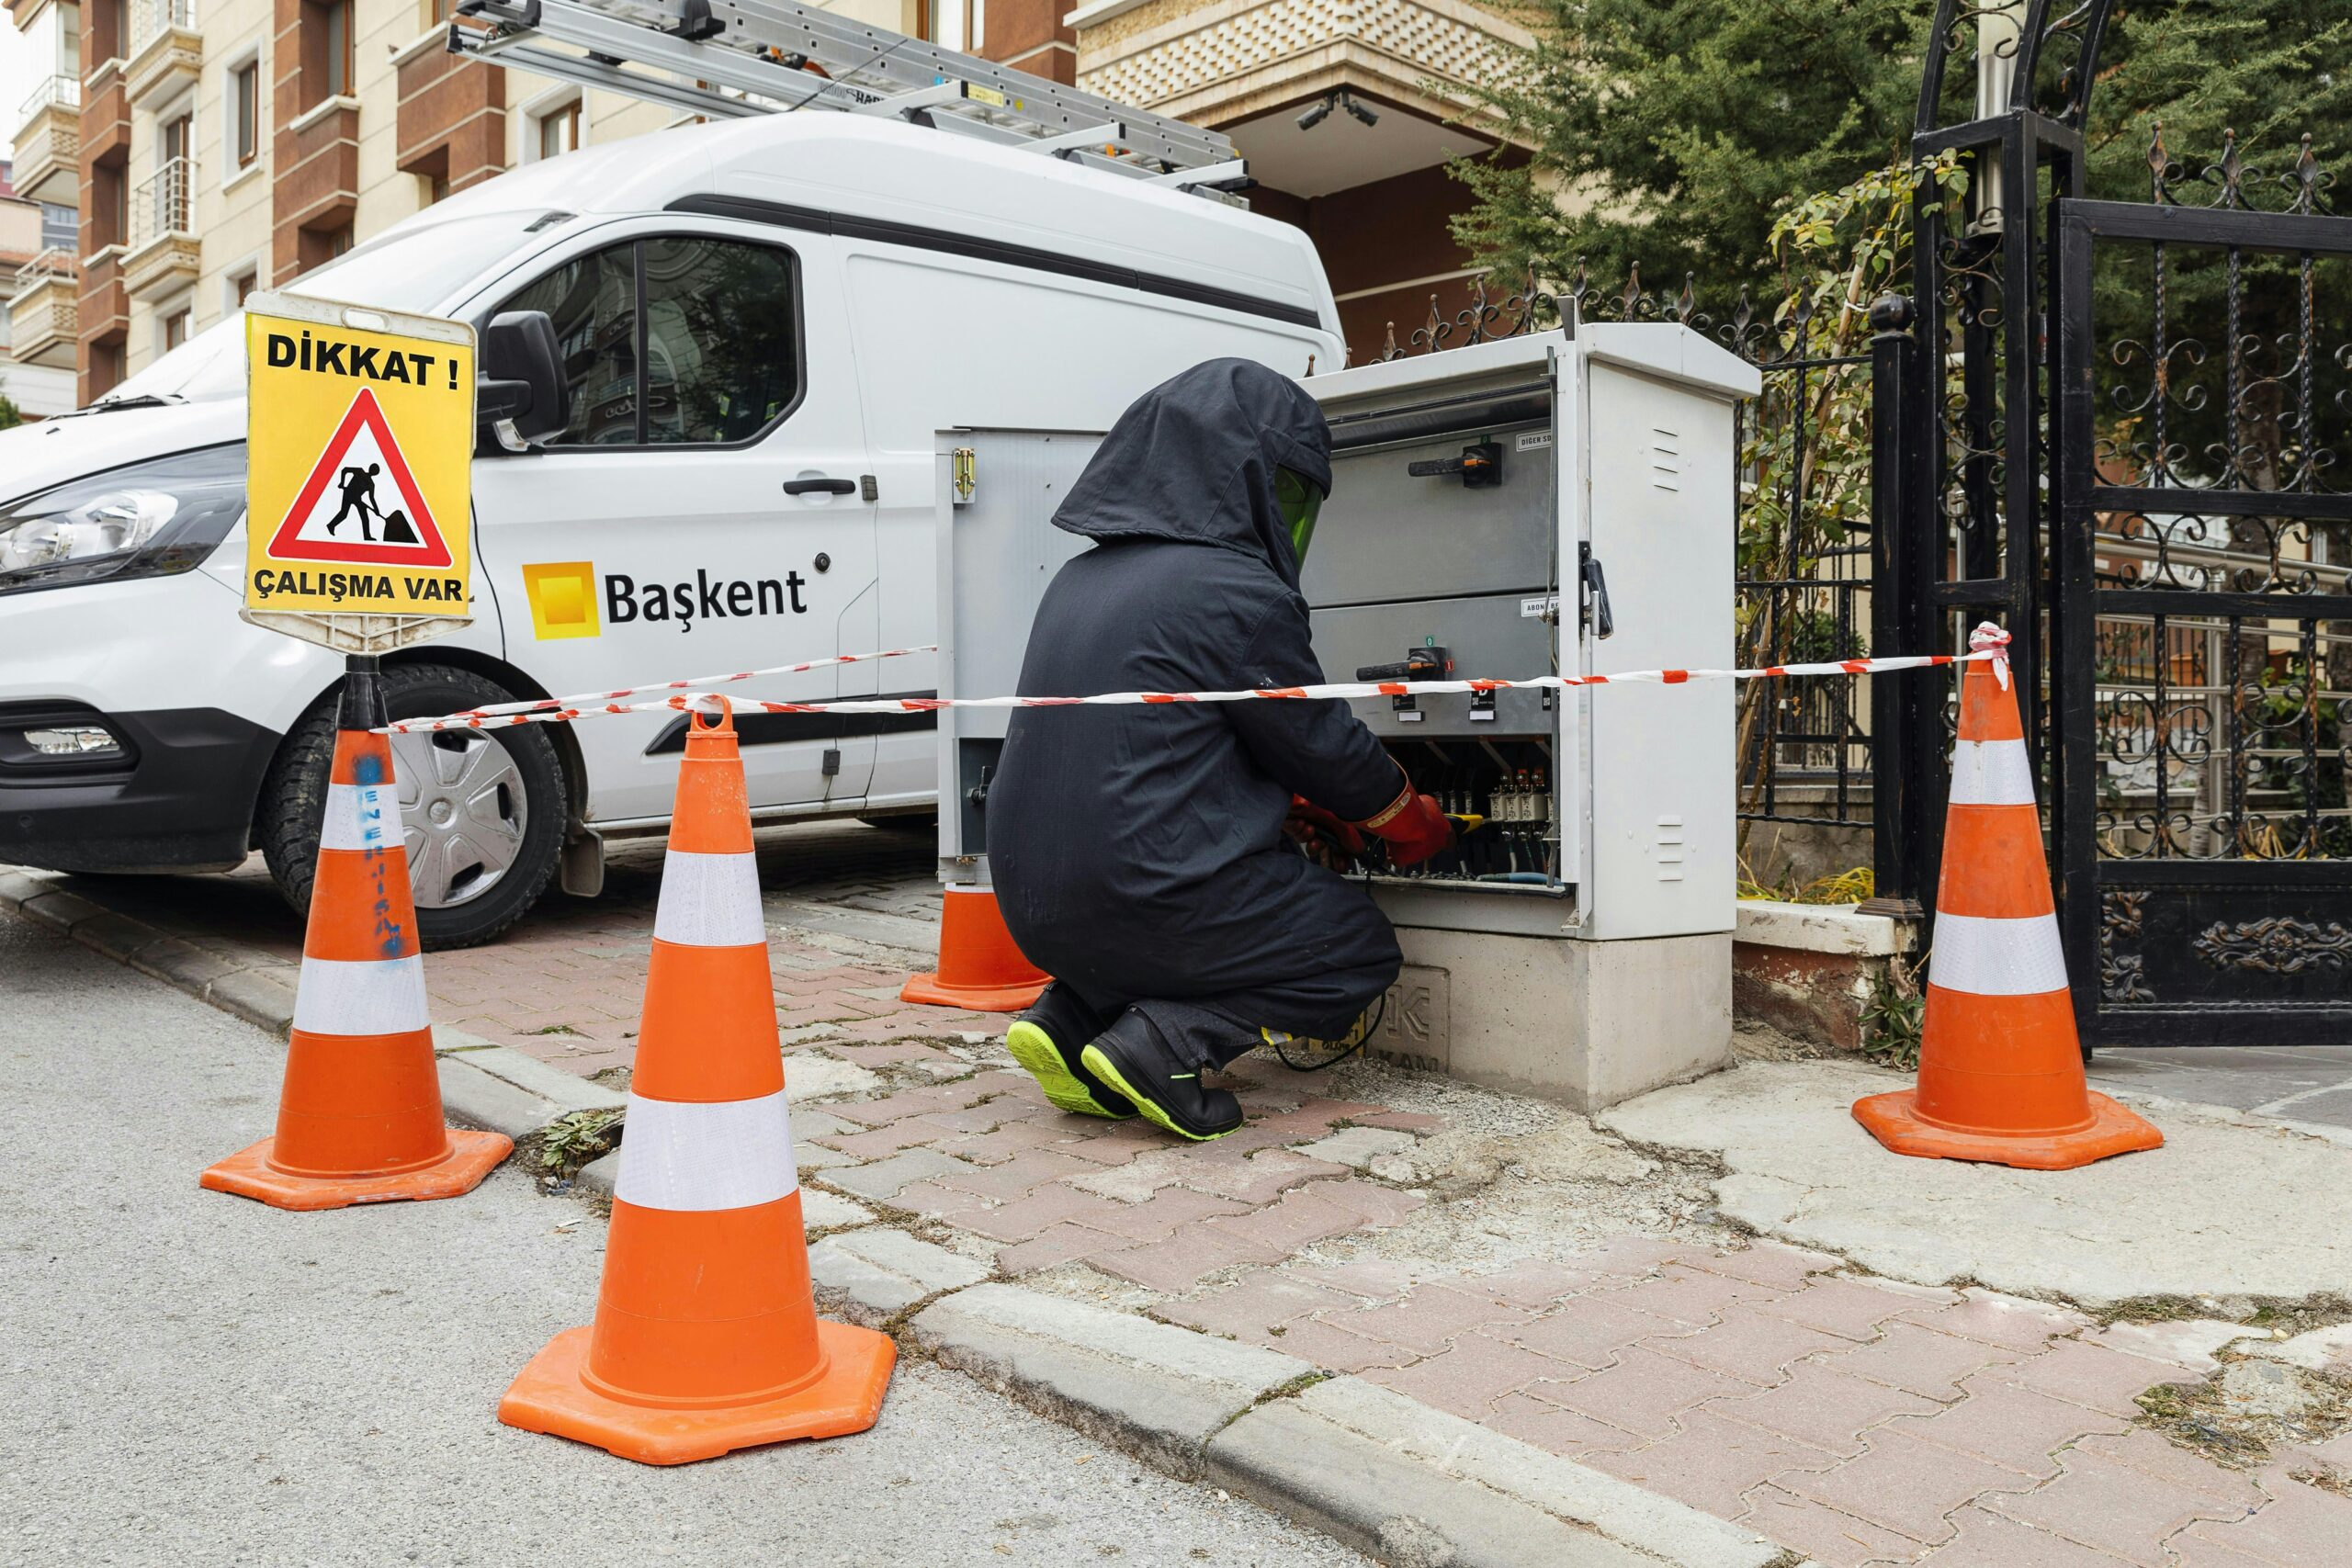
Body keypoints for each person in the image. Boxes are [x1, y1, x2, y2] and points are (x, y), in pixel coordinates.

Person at [987, 359, 1453, 1142]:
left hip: (1034, 911)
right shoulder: (1234, 588)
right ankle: (1168, 1041)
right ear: (1249, 481)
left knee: (1148, 918)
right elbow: (1326, 748)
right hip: (1146, 895)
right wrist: (1408, 818)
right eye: (1290, 492)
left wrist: (1290, 806)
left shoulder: (1075, 581)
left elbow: (1156, 753)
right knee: (1356, 946)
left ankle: (1067, 1020)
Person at [324, 462, 383, 541]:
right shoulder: (360, 472)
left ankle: (367, 537)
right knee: (344, 514)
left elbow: (371, 498)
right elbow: (345, 470)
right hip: (348, 494)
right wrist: (342, 482)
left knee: (364, 517)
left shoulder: (371, 484)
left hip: (357, 498)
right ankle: (331, 526)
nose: (373, 471)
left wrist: (376, 509)